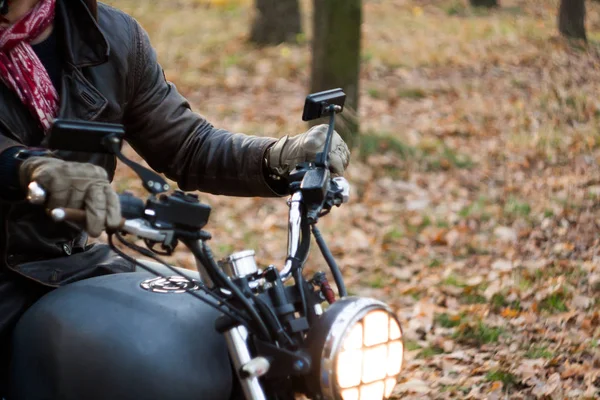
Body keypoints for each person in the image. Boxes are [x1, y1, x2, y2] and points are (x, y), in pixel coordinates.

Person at [0, 0, 350, 391]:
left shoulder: (109, 37)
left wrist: (276, 156)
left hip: (70, 265)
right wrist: (24, 167)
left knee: (226, 326)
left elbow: (186, 144)